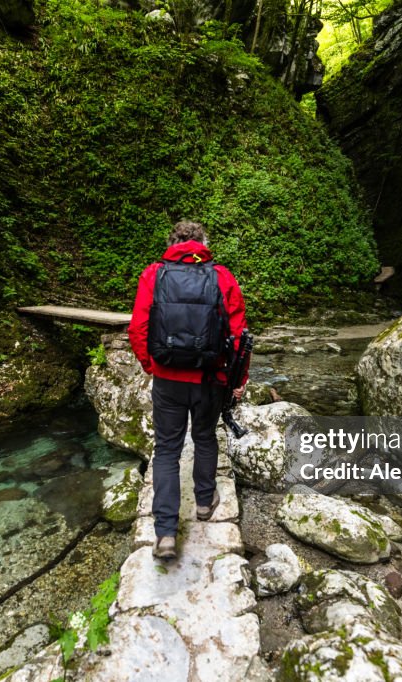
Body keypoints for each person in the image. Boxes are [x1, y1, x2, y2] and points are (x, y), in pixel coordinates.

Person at [128, 220, 247, 560]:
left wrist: (152, 366)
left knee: (167, 450)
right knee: (206, 437)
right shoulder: (221, 276)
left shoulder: (154, 274)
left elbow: (138, 328)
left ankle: (165, 533)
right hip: (210, 378)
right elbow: (238, 335)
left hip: (167, 379)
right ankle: (206, 502)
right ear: (203, 244)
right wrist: (238, 379)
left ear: (173, 243)